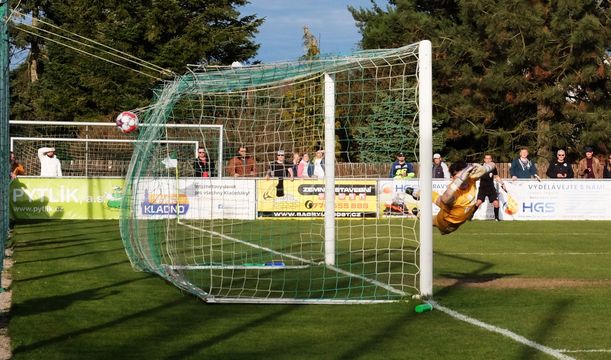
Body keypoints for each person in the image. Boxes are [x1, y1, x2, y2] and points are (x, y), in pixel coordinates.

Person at [407, 160, 495, 235]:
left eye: (464, 176)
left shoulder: (471, 178)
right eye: (459, 178)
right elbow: (445, 198)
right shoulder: (454, 192)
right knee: (433, 220)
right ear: (453, 178)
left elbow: (492, 164)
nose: (463, 180)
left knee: (435, 198)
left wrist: (484, 168)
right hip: (448, 223)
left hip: (456, 212)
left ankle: (416, 194)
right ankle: (419, 210)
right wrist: (459, 180)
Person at [475, 154, 506, 221]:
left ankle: (497, 218)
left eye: (489, 158)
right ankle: (470, 216)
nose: (488, 160)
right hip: (482, 188)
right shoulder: (481, 167)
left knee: (496, 203)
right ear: (484, 159)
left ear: (491, 160)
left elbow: (496, 176)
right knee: (478, 202)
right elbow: (476, 176)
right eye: (486, 158)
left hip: (491, 188)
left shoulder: (493, 168)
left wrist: (502, 184)